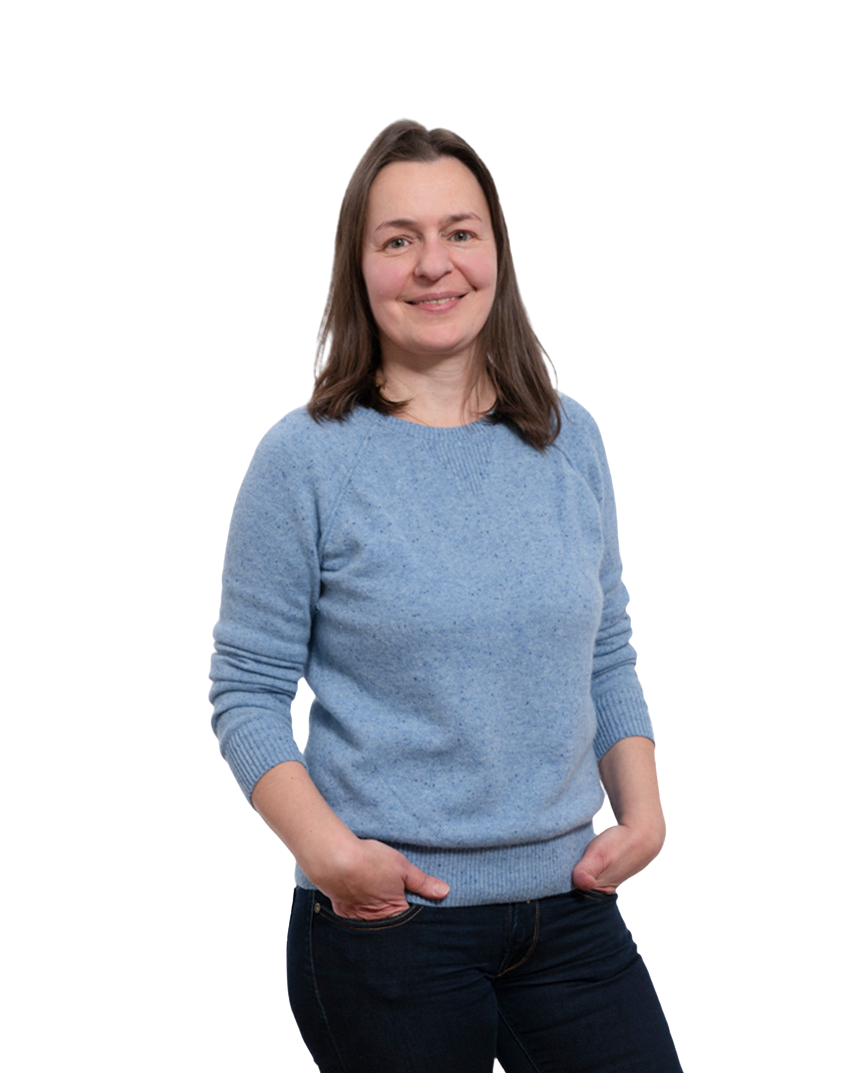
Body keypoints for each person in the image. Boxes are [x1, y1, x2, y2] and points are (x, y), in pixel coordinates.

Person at [209, 118, 682, 1072]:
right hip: (388, 926)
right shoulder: (303, 458)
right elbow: (246, 692)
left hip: (575, 911)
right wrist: (332, 858)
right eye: (399, 240)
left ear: (496, 251)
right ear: (359, 268)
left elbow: (607, 651)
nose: (435, 265)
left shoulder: (571, 437)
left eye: (460, 232)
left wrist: (645, 816)